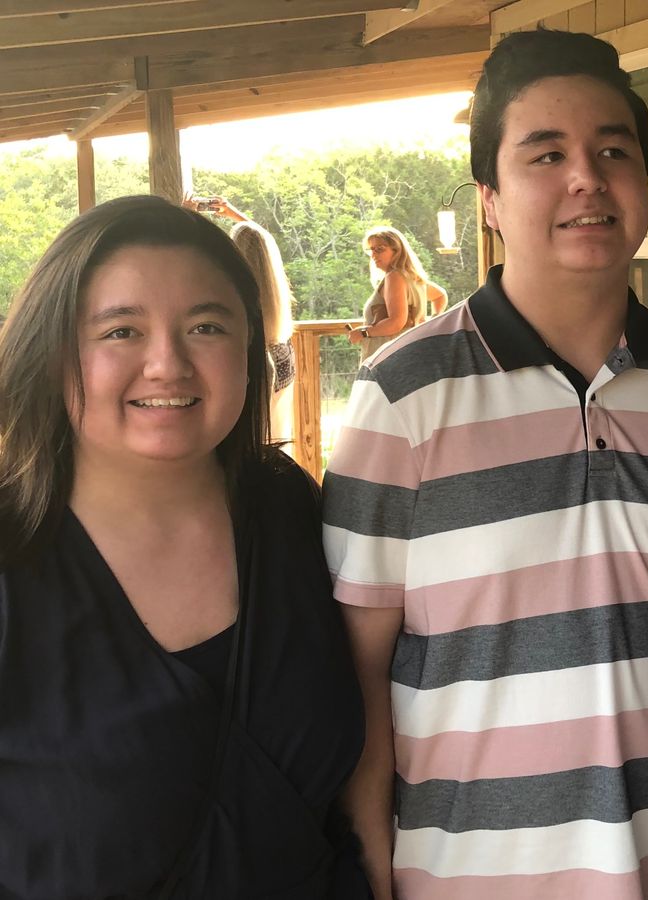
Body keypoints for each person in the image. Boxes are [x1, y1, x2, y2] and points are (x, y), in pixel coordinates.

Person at [322, 28, 648, 900]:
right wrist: (375, 863)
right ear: (489, 197)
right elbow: (358, 670)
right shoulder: (402, 395)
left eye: (614, 151)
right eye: (547, 154)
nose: (587, 179)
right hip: (468, 879)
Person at [0, 195, 368, 899]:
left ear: (251, 351)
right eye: (121, 331)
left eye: (206, 326)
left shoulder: (285, 508)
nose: (167, 364)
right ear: (51, 354)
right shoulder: (14, 551)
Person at [184, 195, 296, 447]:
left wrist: (186, 218)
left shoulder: (231, 295)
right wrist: (235, 215)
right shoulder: (275, 297)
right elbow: (260, 244)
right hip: (280, 358)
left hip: (253, 364)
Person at [348, 226, 447, 362]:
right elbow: (440, 295)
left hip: (389, 357)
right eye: (371, 250)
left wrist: (363, 332)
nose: (374, 255)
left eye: (380, 249)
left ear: (397, 250)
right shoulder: (411, 277)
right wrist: (432, 322)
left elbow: (396, 322)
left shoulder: (394, 276)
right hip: (407, 352)